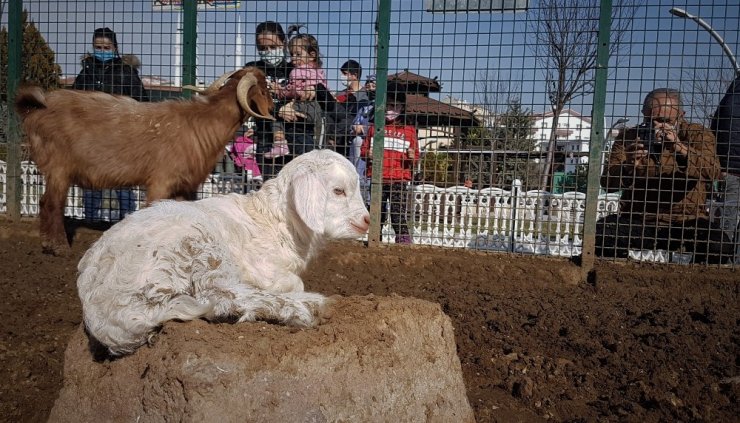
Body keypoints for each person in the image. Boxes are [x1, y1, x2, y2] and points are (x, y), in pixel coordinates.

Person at [597, 88, 732, 264]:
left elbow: (713, 171)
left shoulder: (698, 134)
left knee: (718, 245)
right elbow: (607, 182)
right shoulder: (629, 137)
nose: (656, 127)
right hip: (640, 219)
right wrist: (628, 166)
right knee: (602, 233)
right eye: (650, 120)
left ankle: (695, 282)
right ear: (643, 113)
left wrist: (678, 147)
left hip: (686, 220)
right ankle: (619, 276)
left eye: (665, 121)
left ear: (681, 116)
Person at [73, 27, 148, 222]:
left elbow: (142, 102)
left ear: (115, 47)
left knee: (123, 183)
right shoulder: (86, 72)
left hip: (122, 138)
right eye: (98, 47)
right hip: (92, 137)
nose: (102, 50)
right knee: (92, 182)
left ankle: (128, 222)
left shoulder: (126, 72)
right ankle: (91, 221)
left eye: (106, 47)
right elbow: (75, 101)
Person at [360, 89, 419, 244]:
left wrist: (413, 157)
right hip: (378, 178)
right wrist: (368, 154)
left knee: (397, 212)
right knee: (377, 212)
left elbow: (416, 156)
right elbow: (363, 151)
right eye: (388, 105)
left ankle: (403, 241)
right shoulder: (374, 128)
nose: (391, 110)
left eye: (396, 106)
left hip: (399, 179)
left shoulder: (409, 131)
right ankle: (374, 239)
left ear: (402, 108)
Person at [244, 21, 293, 180]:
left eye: (273, 47)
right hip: (265, 137)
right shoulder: (252, 69)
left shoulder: (294, 70)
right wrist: (279, 109)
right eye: (263, 49)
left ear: (283, 44)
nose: (268, 52)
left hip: (293, 139)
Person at [267, 29, 326, 159]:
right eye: (292, 55)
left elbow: (293, 90)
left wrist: (280, 92)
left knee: (277, 118)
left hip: (304, 106)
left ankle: (280, 144)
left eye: (298, 54)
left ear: (311, 55)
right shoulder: (317, 70)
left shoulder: (297, 71)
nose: (293, 59)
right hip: (314, 109)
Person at [711, 74, 740, 263]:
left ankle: (718, 264)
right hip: (731, 169)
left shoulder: (728, 99)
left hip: (728, 169)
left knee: (726, 224)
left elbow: (714, 131)